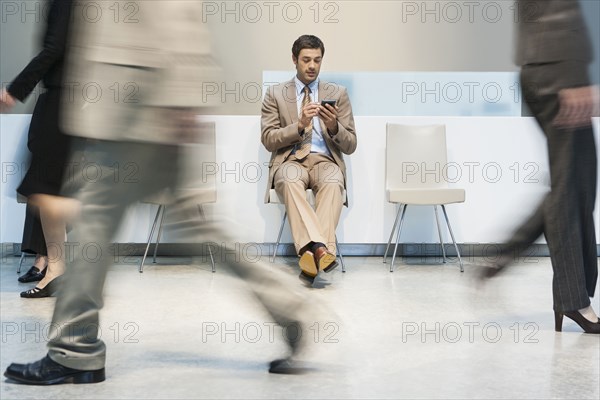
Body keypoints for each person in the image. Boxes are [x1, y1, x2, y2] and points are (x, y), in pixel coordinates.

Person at [4, 1, 317, 385]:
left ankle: (74, 349)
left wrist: (183, 99)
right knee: (186, 227)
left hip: (140, 108)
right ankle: (293, 308)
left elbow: (177, 13)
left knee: (94, 225)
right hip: (129, 105)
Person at [480, 0, 599, 334]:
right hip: (555, 69)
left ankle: (506, 259)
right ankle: (573, 299)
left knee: (579, 182)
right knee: (569, 186)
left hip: (552, 66)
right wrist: (573, 75)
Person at [261, 35, 357, 285]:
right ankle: (322, 251)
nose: (312, 65)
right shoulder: (275, 94)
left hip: (325, 160)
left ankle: (309, 254)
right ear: (294, 60)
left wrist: (334, 126)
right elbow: (269, 139)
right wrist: (300, 125)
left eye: (317, 60)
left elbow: (351, 145)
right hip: (291, 160)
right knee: (289, 179)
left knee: (334, 180)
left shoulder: (338, 93)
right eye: (306, 60)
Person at [0, 0, 74, 298]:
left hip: (63, 102)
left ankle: (56, 267)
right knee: (45, 187)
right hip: (72, 100)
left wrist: (15, 89)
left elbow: (55, 48)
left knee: (44, 189)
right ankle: (54, 265)